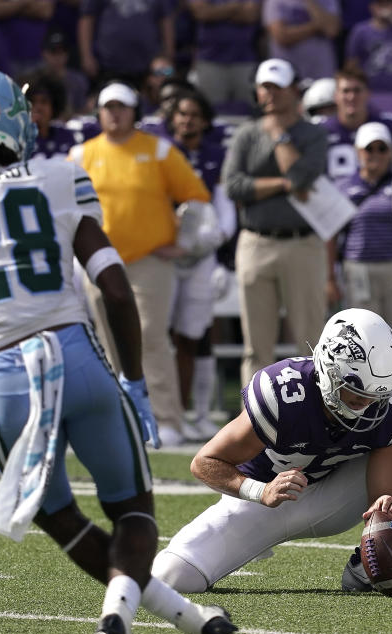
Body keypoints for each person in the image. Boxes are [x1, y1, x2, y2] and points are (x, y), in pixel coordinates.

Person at [0, 64, 236, 634]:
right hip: (77, 355)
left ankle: (140, 619)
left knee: (61, 517)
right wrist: (133, 380)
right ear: (18, 123)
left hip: (0, 376)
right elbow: (117, 290)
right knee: (133, 511)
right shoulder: (58, 175)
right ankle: (170, 620)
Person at [152, 307, 392, 593]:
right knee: (171, 576)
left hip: (332, 499)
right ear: (328, 372)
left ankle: (365, 568)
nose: (367, 404)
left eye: (376, 395)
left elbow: (380, 490)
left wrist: (384, 508)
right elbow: (204, 462)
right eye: (356, 393)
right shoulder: (283, 394)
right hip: (262, 504)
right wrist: (259, 491)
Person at [70, 81, 211, 447]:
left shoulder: (160, 150)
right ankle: (119, 417)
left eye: (121, 106)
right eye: (108, 107)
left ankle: (167, 418)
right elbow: (64, 206)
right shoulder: (81, 154)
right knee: (105, 339)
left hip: (149, 259)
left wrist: (183, 243)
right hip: (98, 259)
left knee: (150, 336)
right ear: (98, 112)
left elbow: (196, 197)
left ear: (134, 111)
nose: (114, 113)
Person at [222, 58, 328, 387]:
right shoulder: (246, 134)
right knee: (256, 346)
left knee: (311, 343)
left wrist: (280, 136)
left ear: (294, 90)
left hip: (303, 243)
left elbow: (300, 177)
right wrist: (280, 186)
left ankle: (317, 417)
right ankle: (253, 422)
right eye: (264, 86)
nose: (269, 93)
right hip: (255, 241)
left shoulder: (312, 134)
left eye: (277, 87)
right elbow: (233, 186)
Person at [165, 91, 236, 441]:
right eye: (181, 114)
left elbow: (225, 209)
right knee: (161, 335)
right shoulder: (162, 151)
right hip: (165, 251)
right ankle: (168, 413)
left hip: (202, 254)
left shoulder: (215, 156)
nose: (187, 120)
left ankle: (201, 412)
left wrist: (216, 237)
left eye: (194, 114)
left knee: (196, 334)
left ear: (205, 120)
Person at [334, 121, 392, 333]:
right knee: (363, 332)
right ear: (357, 152)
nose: (375, 154)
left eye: (382, 148)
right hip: (358, 267)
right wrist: (329, 277)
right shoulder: (343, 186)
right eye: (369, 148)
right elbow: (330, 232)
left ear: (390, 152)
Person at [187, 0, 262, 109]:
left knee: (248, 110)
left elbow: (250, 15)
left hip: (244, 61)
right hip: (209, 60)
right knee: (209, 110)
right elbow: (203, 13)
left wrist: (216, 12)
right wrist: (235, 6)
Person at [262, 0, 341, 82]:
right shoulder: (274, 1)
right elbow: (281, 36)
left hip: (321, 73)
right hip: (286, 77)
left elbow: (331, 29)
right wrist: (316, 26)